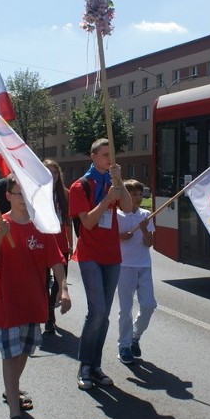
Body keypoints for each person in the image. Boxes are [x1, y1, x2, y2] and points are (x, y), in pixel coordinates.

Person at [0, 174, 71, 419]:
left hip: (34, 301)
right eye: (16, 193)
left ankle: (12, 390)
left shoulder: (41, 225)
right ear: (7, 195)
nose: (21, 198)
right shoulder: (0, 223)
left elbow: (56, 261)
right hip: (8, 301)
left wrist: (64, 288)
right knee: (10, 354)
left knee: (23, 353)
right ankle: (14, 416)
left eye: (25, 193)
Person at [69, 138, 131, 390]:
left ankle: (95, 366)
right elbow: (88, 223)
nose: (109, 159)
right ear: (93, 156)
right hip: (89, 255)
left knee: (104, 314)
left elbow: (127, 208)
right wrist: (106, 200)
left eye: (112, 155)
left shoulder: (111, 182)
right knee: (96, 310)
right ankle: (84, 365)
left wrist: (120, 184)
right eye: (105, 155)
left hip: (112, 255)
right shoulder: (80, 186)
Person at [116, 179, 156, 365]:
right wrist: (120, 237)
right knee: (125, 309)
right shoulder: (117, 215)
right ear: (125, 196)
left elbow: (149, 243)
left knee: (149, 305)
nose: (138, 197)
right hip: (124, 266)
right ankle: (123, 346)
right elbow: (109, 239)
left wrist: (144, 229)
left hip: (144, 265)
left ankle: (135, 336)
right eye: (134, 194)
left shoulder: (146, 214)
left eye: (140, 194)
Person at [42, 158, 72, 334]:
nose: (52, 176)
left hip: (60, 241)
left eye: (54, 172)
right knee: (43, 281)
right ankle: (48, 316)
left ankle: (51, 307)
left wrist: (70, 244)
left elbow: (68, 221)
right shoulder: (37, 193)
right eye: (48, 172)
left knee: (61, 280)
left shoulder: (65, 193)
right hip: (43, 241)